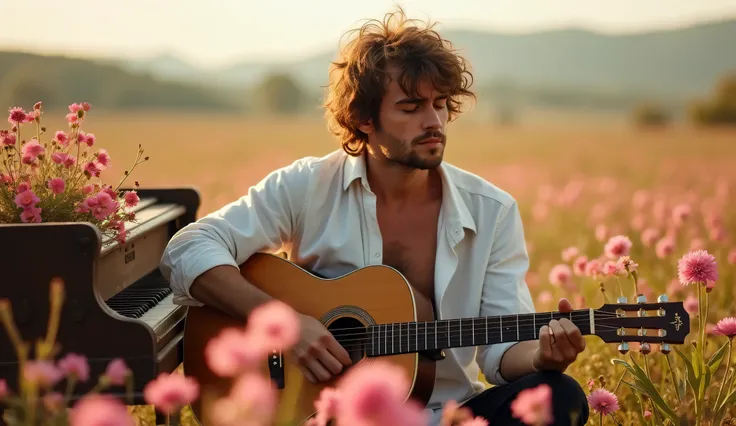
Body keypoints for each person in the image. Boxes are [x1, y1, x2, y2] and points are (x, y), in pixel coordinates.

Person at [159, 7, 589, 426]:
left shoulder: (492, 211)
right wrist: (284, 325)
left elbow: (500, 353)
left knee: (560, 396)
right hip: (332, 414)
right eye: (411, 107)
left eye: (440, 104)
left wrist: (539, 356)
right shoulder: (308, 186)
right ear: (363, 118)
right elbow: (188, 249)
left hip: (452, 414)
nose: (434, 121)